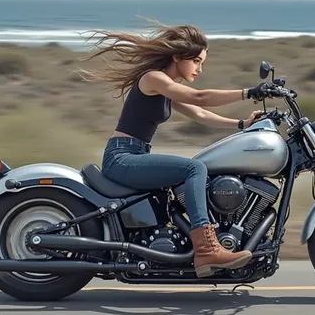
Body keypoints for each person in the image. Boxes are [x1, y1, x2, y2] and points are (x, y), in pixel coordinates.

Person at [79, 20, 275, 278]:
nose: (200, 69)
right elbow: (199, 97)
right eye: (196, 61)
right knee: (195, 168)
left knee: (193, 170)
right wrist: (249, 92)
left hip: (134, 154)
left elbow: (199, 112)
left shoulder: (164, 87)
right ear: (178, 56)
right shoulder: (154, 78)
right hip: (122, 157)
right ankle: (206, 248)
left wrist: (241, 124)